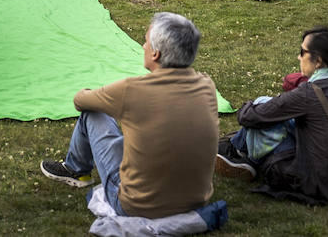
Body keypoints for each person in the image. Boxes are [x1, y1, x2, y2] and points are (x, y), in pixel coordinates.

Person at [40, 13, 218, 220]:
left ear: (156, 54)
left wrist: (97, 94)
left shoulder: (131, 90)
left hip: (136, 206)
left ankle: (75, 169)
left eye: (145, 41)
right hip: (195, 201)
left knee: (93, 113)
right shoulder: (207, 86)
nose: (143, 46)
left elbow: (80, 101)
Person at [216, 27, 328, 205]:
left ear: (318, 61)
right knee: (274, 111)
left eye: (302, 52)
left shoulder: (311, 92)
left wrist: (249, 105)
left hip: (322, 183)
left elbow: (251, 117)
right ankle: (237, 150)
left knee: (263, 107)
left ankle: (239, 152)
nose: (299, 57)